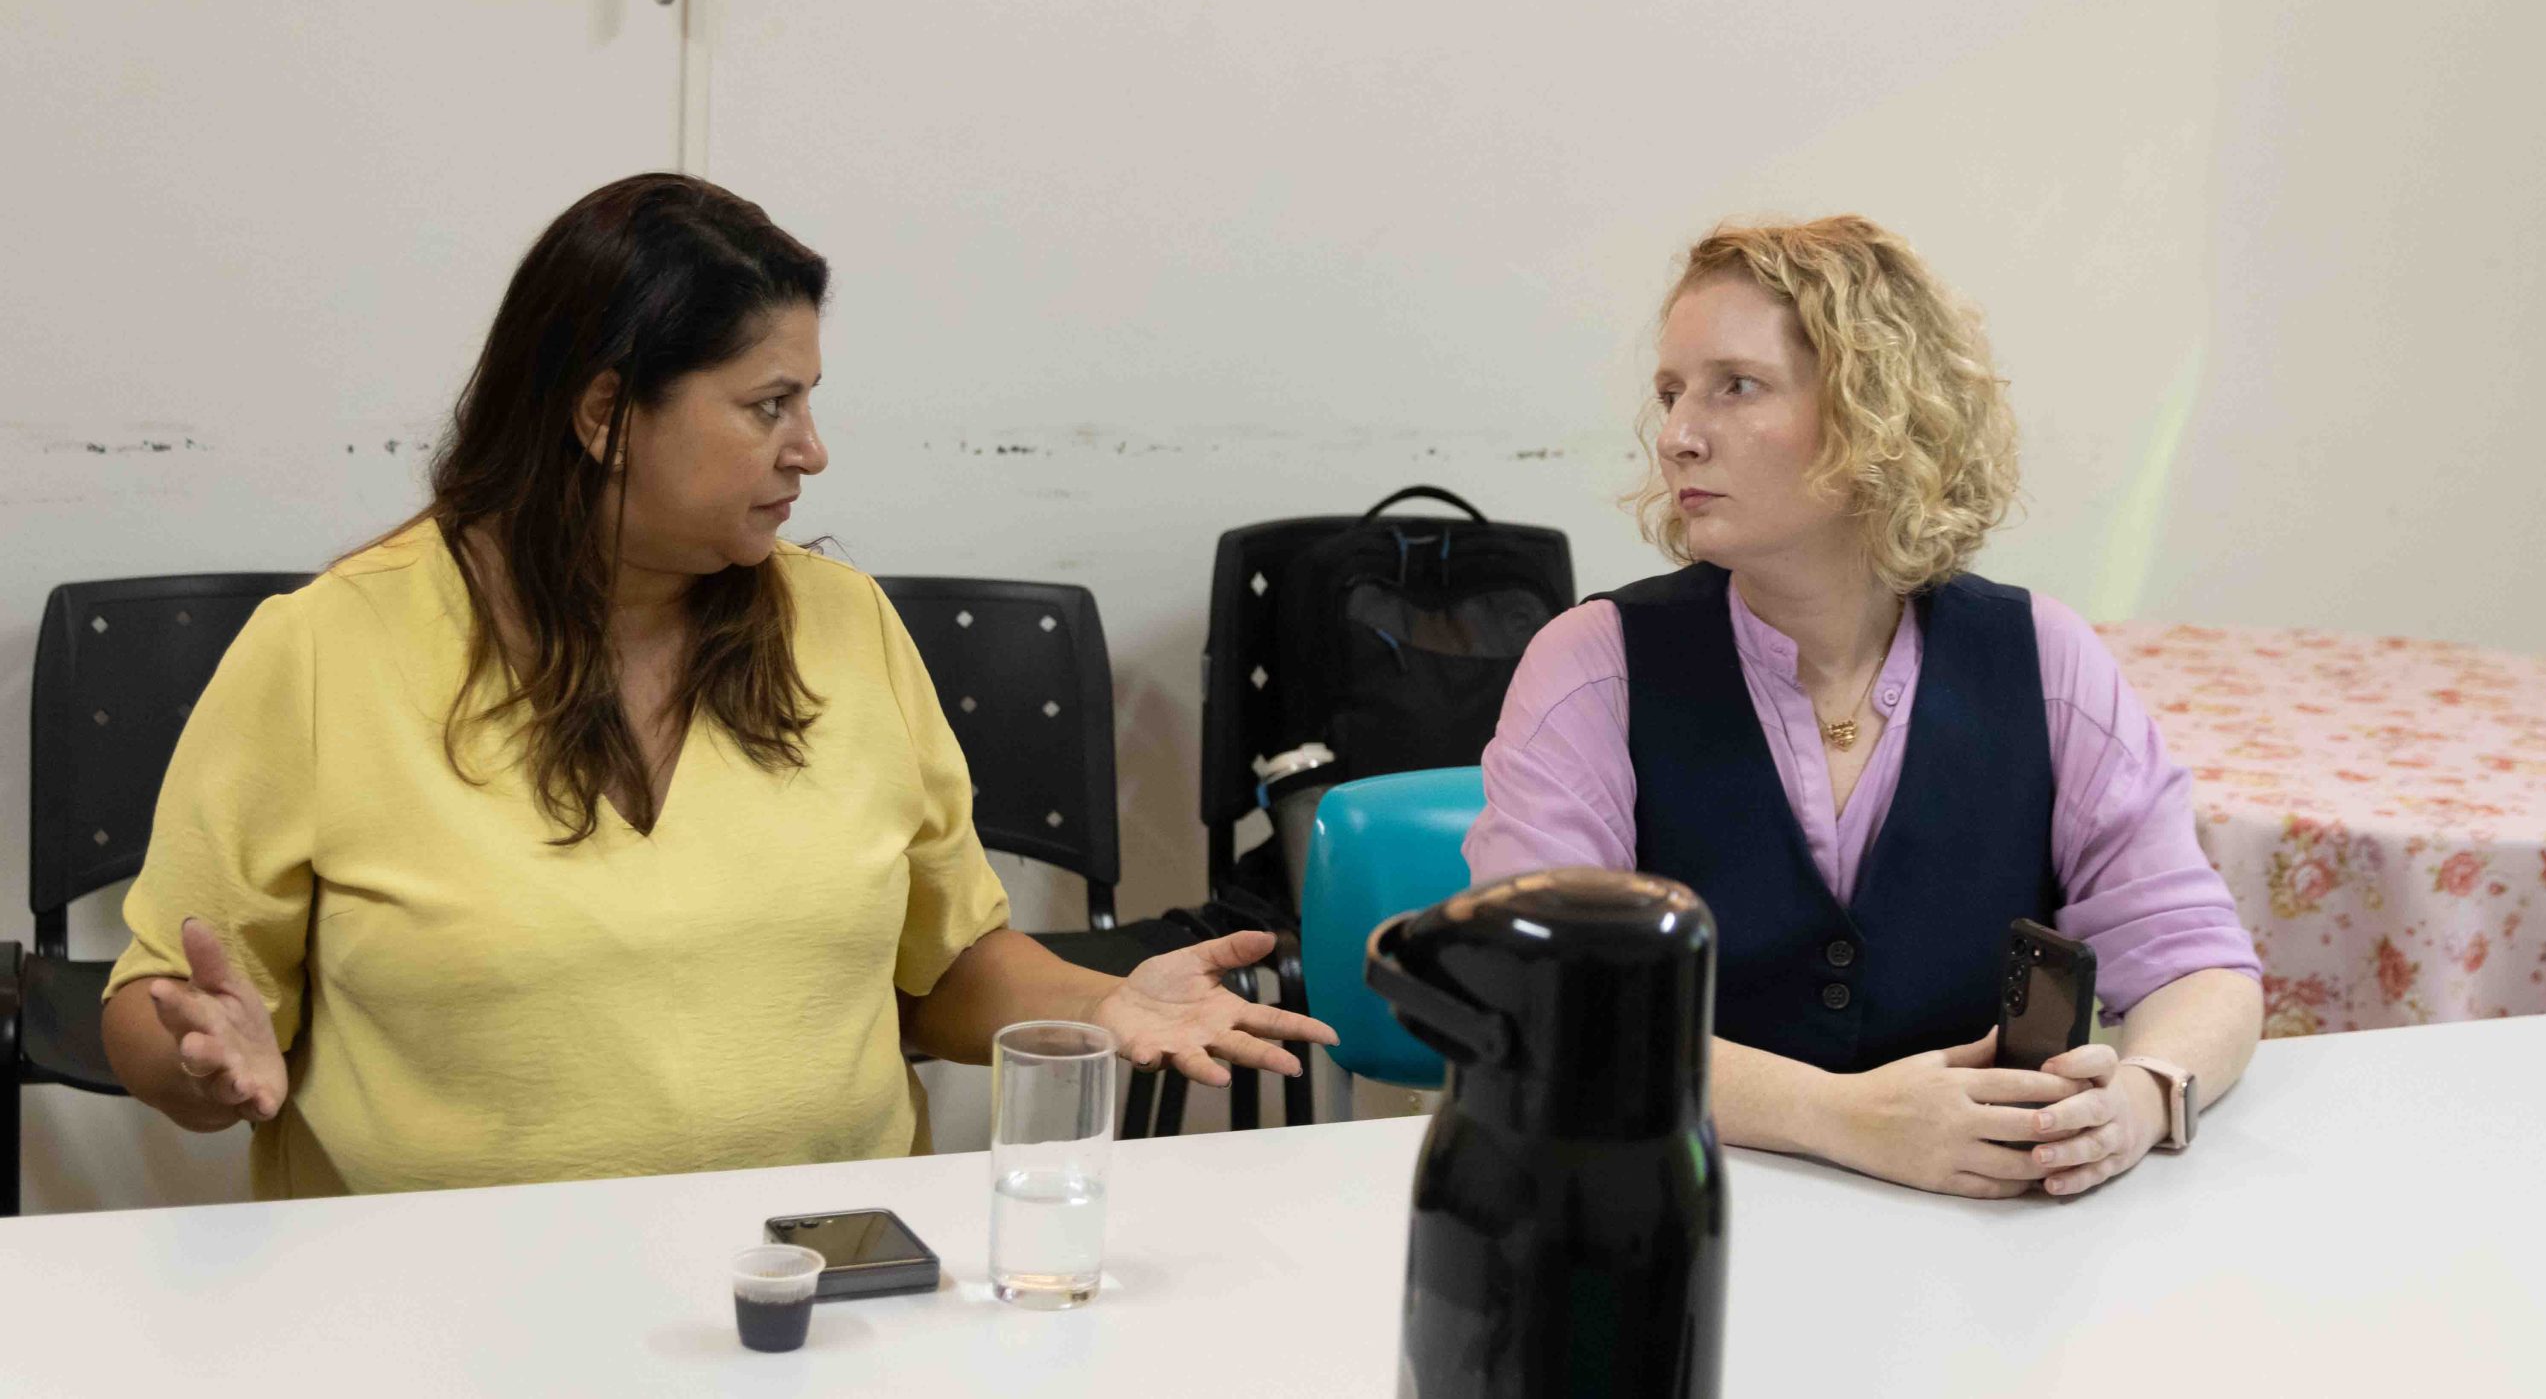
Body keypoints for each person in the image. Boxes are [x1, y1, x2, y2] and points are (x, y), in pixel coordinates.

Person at [102, 173, 1332, 1198]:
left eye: (809, 401)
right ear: (605, 415)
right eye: (767, 406)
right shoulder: (325, 651)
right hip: (442, 1307)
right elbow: (160, 1003)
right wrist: (194, 1062)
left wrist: (1108, 1004)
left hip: (815, 1279)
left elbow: (946, 969)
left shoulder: (843, 628)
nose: (812, 450)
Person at [1466, 216, 2261, 1200]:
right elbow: (1540, 1004)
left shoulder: (2046, 658)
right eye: (1671, 393)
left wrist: (2141, 1098)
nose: (1675, 436)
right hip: (1669, 1209)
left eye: (1735, 385)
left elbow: (2197, 965)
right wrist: (1839, 1117)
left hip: (1980, 1235)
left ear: (1875, 410)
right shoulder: (1592, 668)